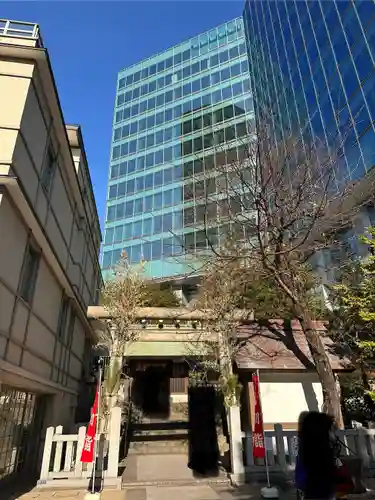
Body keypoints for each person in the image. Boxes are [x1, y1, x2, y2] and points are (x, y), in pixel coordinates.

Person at [295, 411, 337, 500]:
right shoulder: (321, 450)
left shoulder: (306, 448)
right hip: (320, 491)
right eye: (329, 429)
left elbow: (300, 478)